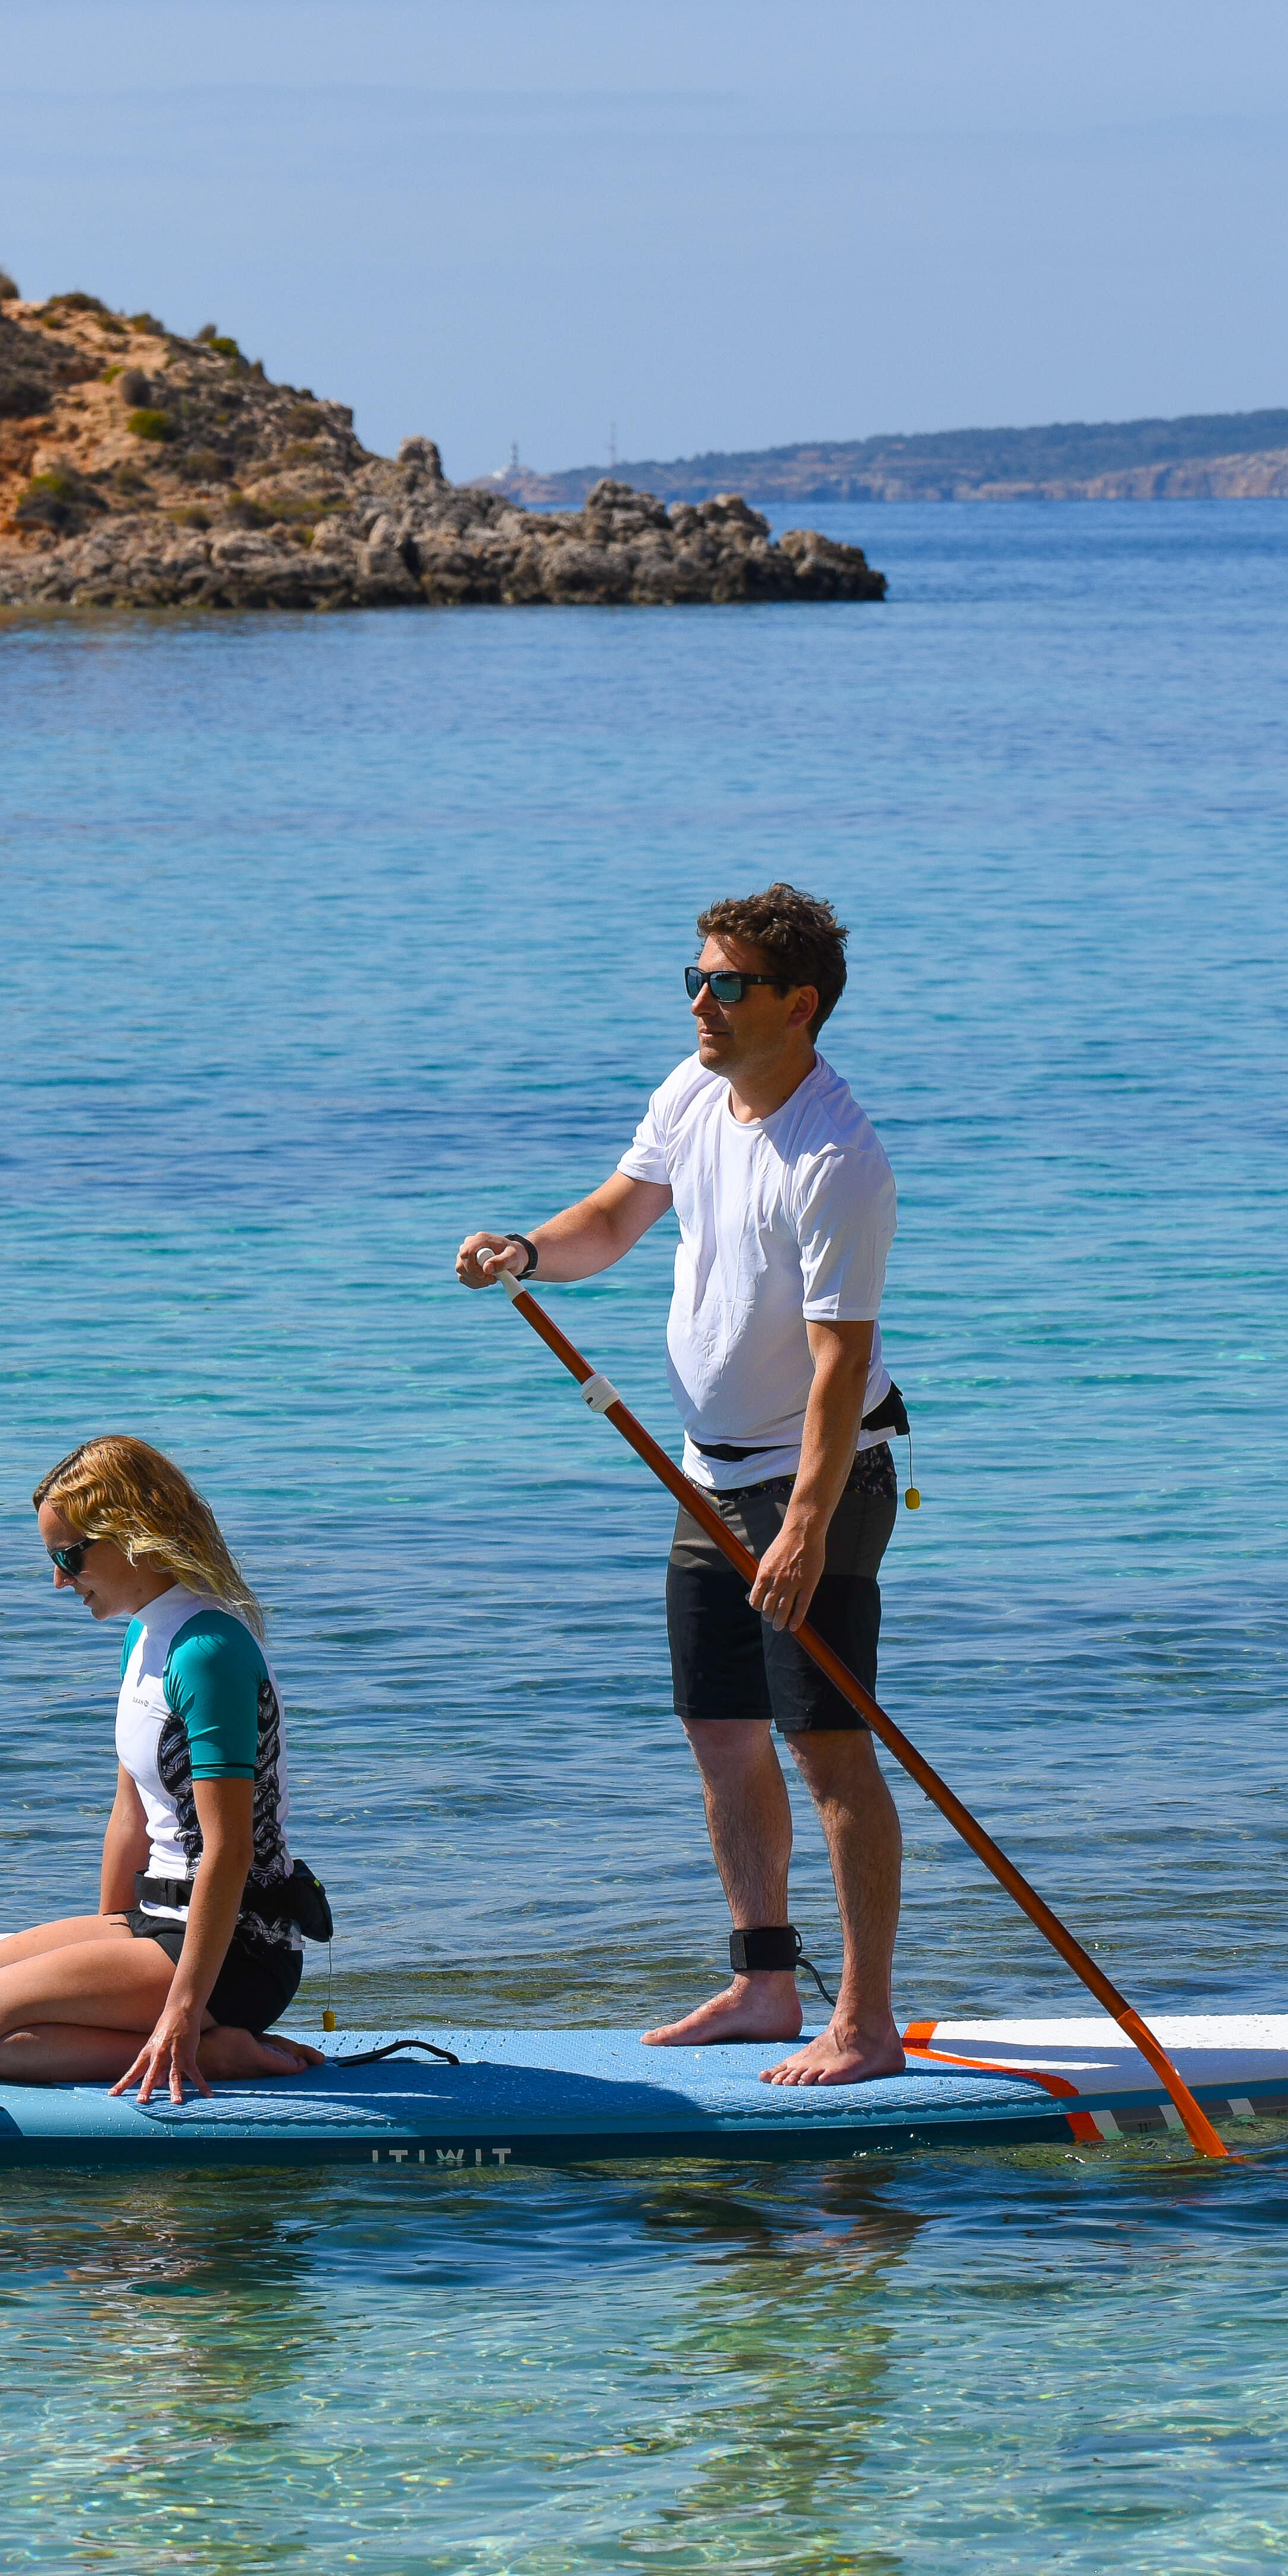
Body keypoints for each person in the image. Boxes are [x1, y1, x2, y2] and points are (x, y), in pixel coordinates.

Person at [451, 883, 909, 2086]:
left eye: (727, 984)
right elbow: (611, 1218)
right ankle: (765, 1982)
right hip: (704, 1474)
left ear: (796, 1005)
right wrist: (525, 1249)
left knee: (825, 1747)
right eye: (694, 978)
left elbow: (836, 1364)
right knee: (718, 1733)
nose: (700, 1001)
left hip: (819, 1479)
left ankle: (862, 2020)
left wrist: (802, 1525)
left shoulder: (836, 1155)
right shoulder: (689, 1090)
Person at [0, 1436, 333, 2103]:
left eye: (69, 1556)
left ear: (134, 1538)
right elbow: (131, 1811)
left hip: (238, 1946)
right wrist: (107, 1950)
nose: (59, 1579)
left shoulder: (208, 1651)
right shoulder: (144, 1636)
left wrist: (175, 2009)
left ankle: (215, 2049)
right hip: (156, 1917)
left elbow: (227, 1851)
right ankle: (187, 2026)